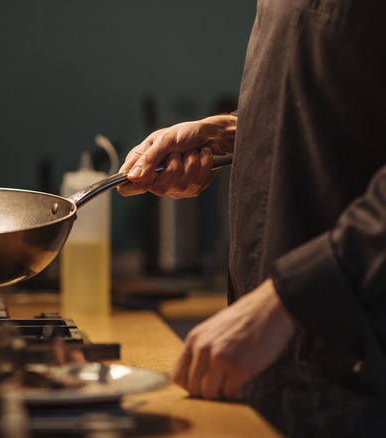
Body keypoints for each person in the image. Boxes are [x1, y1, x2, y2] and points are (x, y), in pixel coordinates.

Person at [116, 1, 386, 436]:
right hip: (279, 374)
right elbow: (345, 107)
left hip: (359, 375)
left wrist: (287, 296)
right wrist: (226, 132)